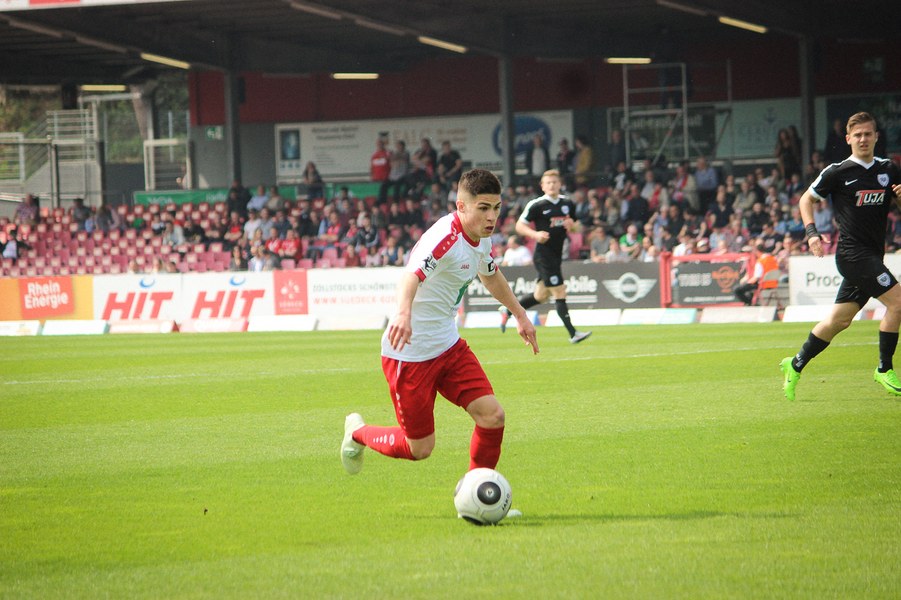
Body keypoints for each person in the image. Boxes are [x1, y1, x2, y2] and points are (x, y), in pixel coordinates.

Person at [340, 168, 539, 478]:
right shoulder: (444, 237)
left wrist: (520, 314)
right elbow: (411, 275)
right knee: (419, 448)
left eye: (496, 208)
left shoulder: (481, 238)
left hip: (449, 347)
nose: (492, 217)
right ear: (461, 206)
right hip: (411, 354)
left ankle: (477, 489)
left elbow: (490, 275)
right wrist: (403, 314)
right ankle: (357, 433)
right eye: (483, 208)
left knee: (492, 417)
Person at [780, 112, 901, 401]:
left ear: (876, 137)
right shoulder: (837, 172)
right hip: (852, 255)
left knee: (839, 321)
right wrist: (812, 233)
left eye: (868, 134)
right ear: (848, 139)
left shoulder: (889, 169)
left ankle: (795, 364)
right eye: (857, 135)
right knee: (898, 303)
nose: (863, 139)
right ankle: (884, 368)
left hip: (873, 255)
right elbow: (806, 199)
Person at [500, 169, 592, 344]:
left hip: (557, 254)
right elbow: (519, 226)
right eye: (548, 183)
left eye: (554, 182)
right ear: (542, 186)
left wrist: (573, 226)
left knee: (541, 296)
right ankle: (573, 334)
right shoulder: (537, 205)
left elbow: (577, 227)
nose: (552, 185)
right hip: (544, 255)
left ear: (560, 184)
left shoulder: (567, 203)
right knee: (559, 290)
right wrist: (535, 235)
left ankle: (508, 311)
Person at [733, 241, 778, 305]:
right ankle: (751, 302)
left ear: (757, 251)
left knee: (737, 289)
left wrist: (747, 283)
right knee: (748, 289)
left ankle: (750, 303)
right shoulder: (773, 259)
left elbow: (756, 278)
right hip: (774, 283)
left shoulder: (760, 261)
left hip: (763, 284)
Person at [370, 137, 391, 201]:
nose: (379, 145)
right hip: (376, 179)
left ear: (383, 144)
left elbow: (391, 165)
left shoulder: (387, 153)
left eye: (380, 143)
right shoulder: (374, 154)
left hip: (385, 178)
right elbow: (372, 167)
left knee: (383, 192)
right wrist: (371, 176)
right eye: (378, 144)